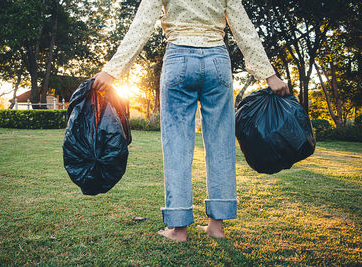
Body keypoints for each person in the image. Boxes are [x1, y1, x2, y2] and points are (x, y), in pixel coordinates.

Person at [91, 0, 289, 242]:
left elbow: (142, 24)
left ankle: (178, 228)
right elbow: (243, 28)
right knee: (221, 144)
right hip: (217, 59)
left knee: (176, 146)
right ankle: (216, 226)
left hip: (178, 58)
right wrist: (269, 75)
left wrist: (113, 70)